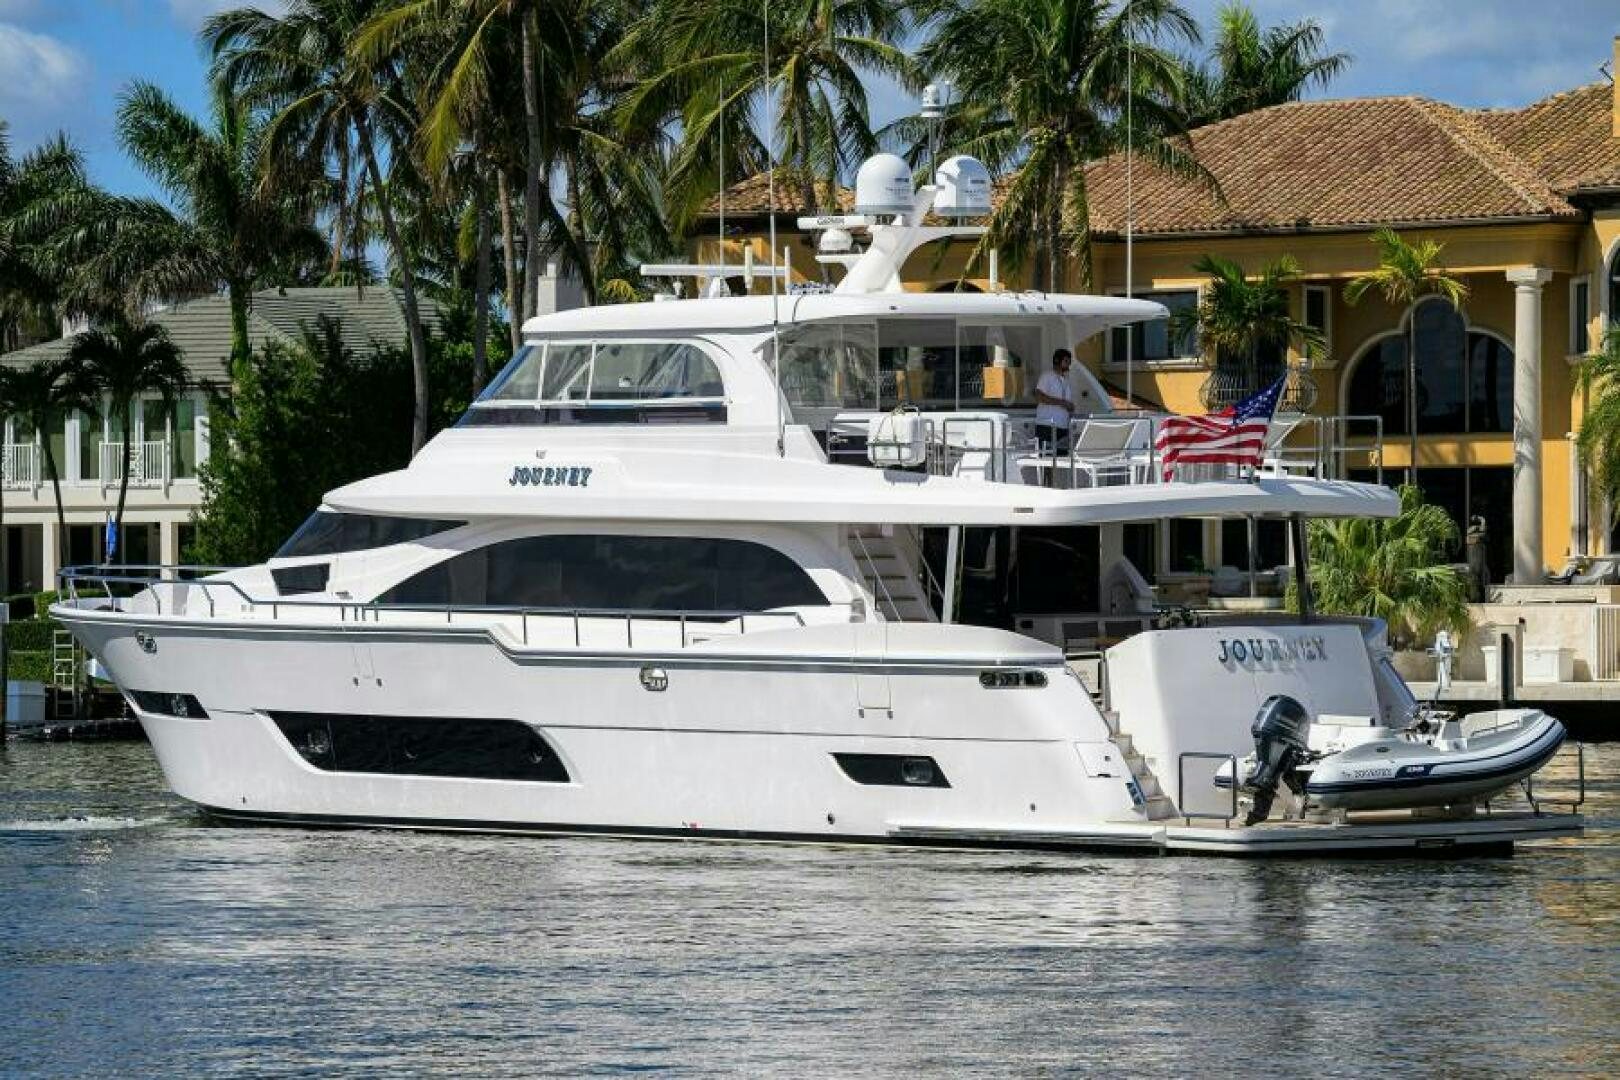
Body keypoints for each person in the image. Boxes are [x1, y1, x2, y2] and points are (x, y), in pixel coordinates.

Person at [1035, 348, 1076, 454]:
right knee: (1046, 460)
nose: (1069, 364)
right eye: (1066, 361)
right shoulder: (1047, 376)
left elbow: (1066, 402)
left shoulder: (1066, 380)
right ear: (1057, 361)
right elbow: (1039, 396)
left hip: (1062, 426)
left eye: (1069, 361)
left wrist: (1070, 406)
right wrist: (1062, 403)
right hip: (1047, 425)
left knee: (1062, 460)